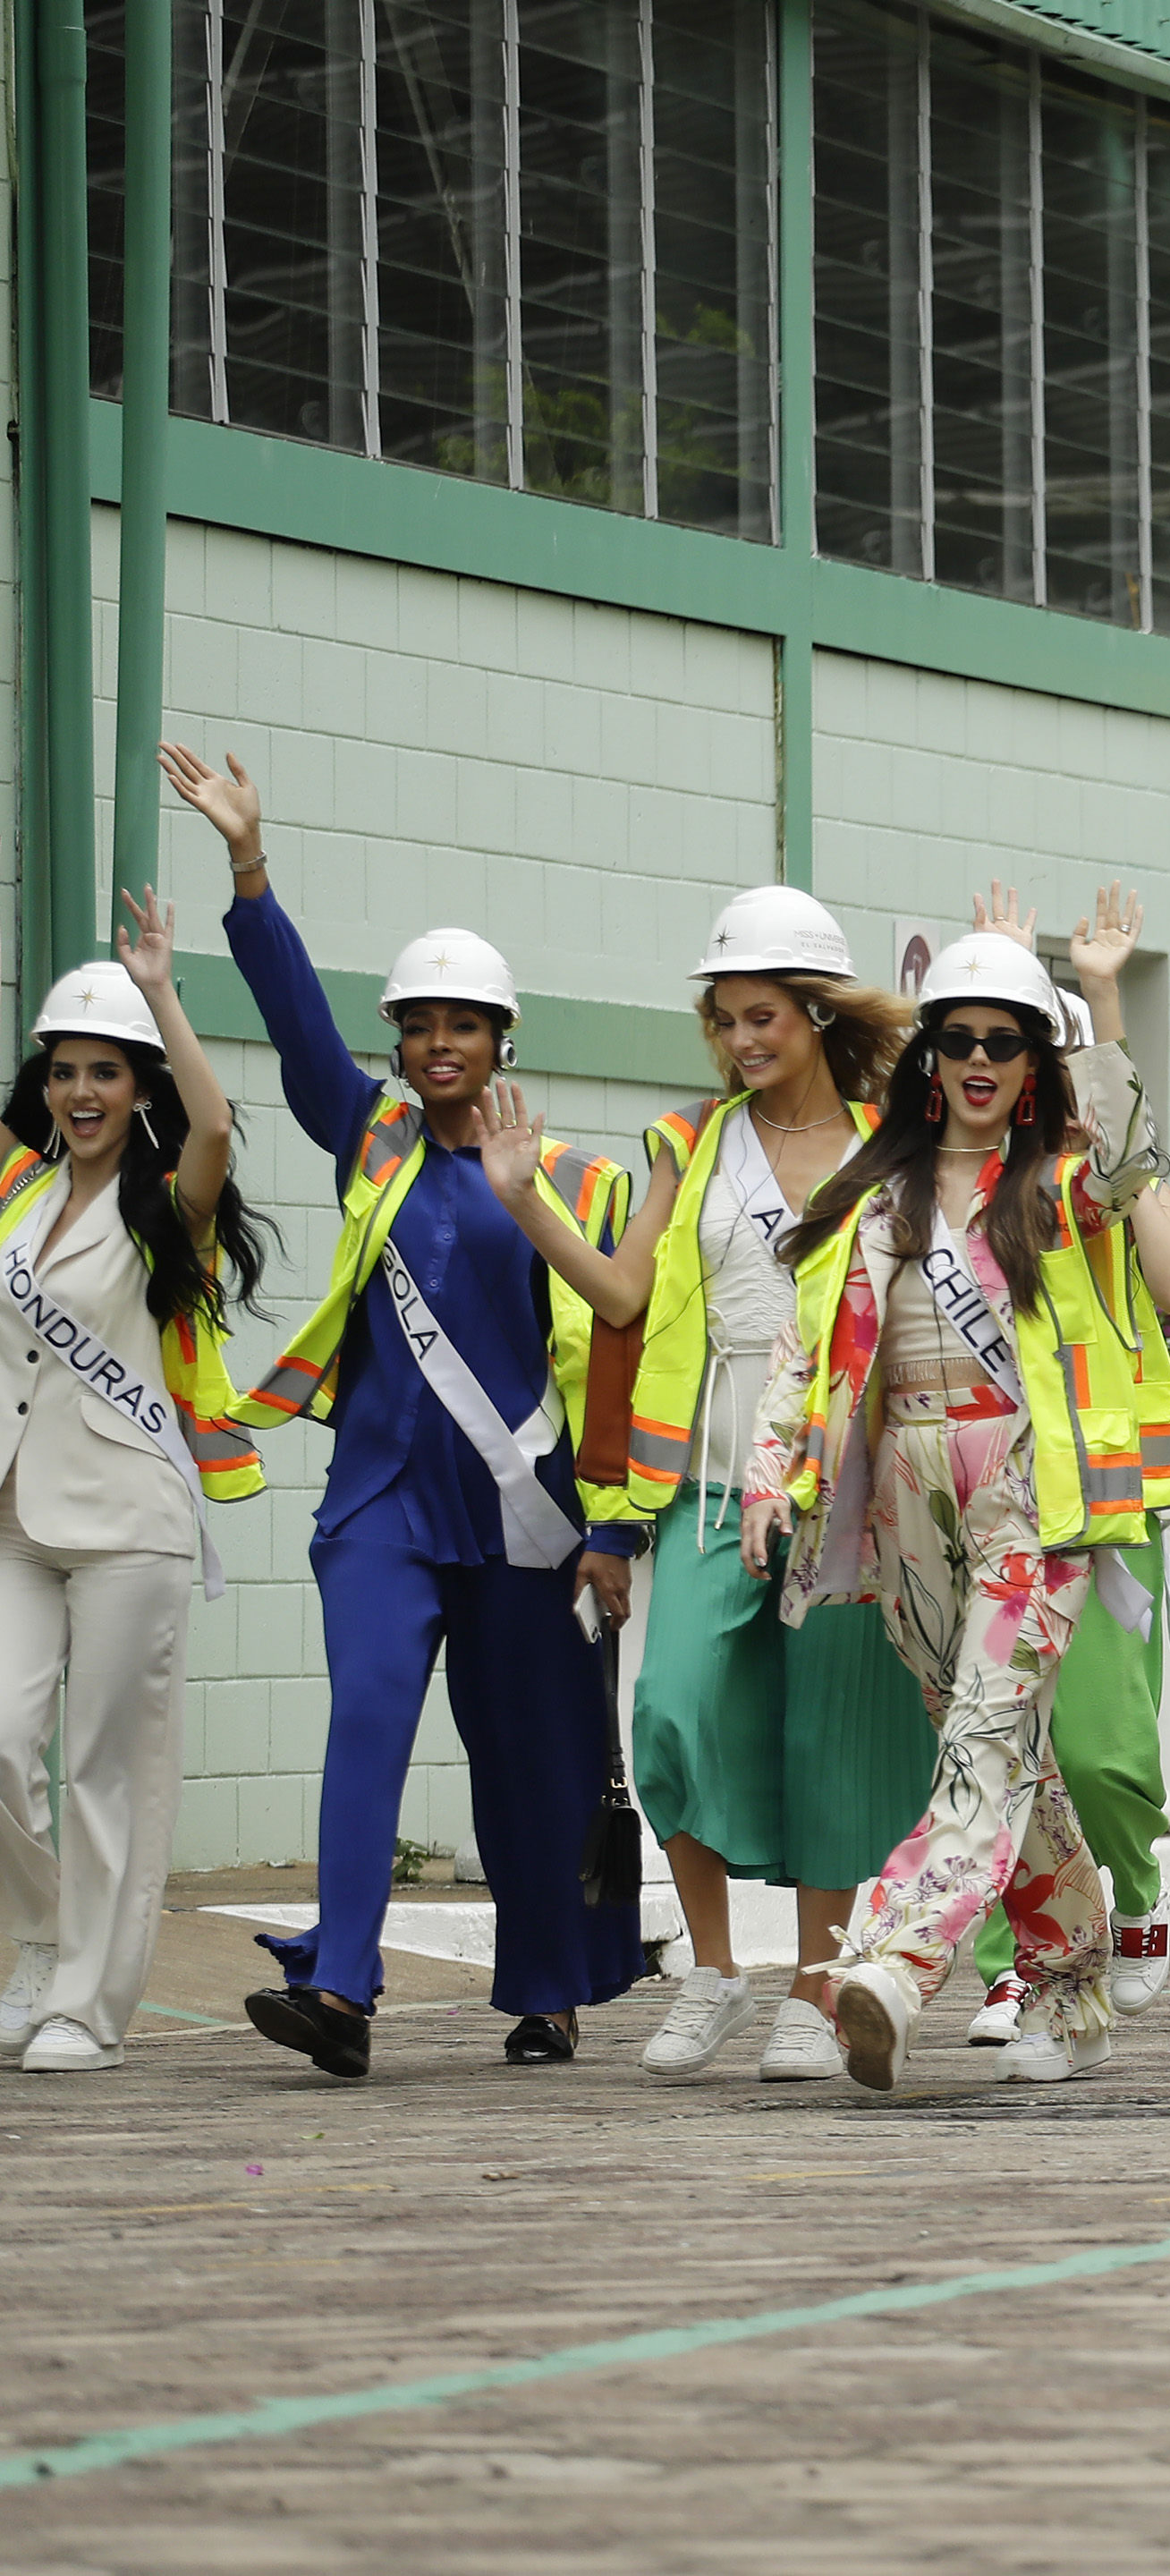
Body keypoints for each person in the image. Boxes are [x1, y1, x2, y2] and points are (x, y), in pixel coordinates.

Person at [172, 741, 657, 2078]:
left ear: (504, 1039)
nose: (439, 1043)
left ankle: (552, 1987)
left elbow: (608, 1348)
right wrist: (248, 862)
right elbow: (291, 1026)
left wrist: (613, 1526)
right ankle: (341, 1986)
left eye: (465, 1024)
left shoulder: (567, 1175)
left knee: (533, 1763)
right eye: (420, 1024)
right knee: (370, 1711)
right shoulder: (367, 1136)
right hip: (381, 1506)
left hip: (524, 1518)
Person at [737, 887, 1167, 2092]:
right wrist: (775, 1477)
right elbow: (803, 1349)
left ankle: (892, 1958)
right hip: (907, 1493)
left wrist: (1106, 995)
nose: (980, 1059)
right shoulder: (880, 1193)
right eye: (959, 1038)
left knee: (986, 1736)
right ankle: (1075, 1983)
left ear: (1036, 1062)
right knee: (994, 1746)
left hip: (1032, 1487)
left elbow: (1138, 1161)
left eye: (1006, 1039)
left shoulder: (1063, 1183)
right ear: (930, 1058)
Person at [504, 884, 936, 2084]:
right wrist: (526, 1199)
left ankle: (816, 1981)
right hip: (704, 1478)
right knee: (672, 1713)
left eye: (766, 1016)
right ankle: (714, 1965)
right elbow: (626, 1295)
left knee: (826, 1736)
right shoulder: (689, 1142)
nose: (744, 1039)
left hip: (846, 1478)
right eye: (726, 1018)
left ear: (816, 1014)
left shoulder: (888, 1139)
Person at [0, 912, 275, 2073]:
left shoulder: (171, 1199)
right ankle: (37, 1940)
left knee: (108, 1770)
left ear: (136, 1082)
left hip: (130, 1523)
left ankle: (84, 2003)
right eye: (62, 1070)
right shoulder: (21, 1193)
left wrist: (160, 990)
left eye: (102, 1070)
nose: (78, 1090)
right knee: (3, 1742)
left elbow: (212, 1119)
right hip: (15, 1510)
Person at [969, 1177, 1170, 2048]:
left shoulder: (1103, 1182)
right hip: (977, 1491)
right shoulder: (930, 1177)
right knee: (999, 1741)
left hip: (1097, 1497)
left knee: (1102, 1752)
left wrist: (1131, 1167)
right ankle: (1014, 1961)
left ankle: (1136, 1883)